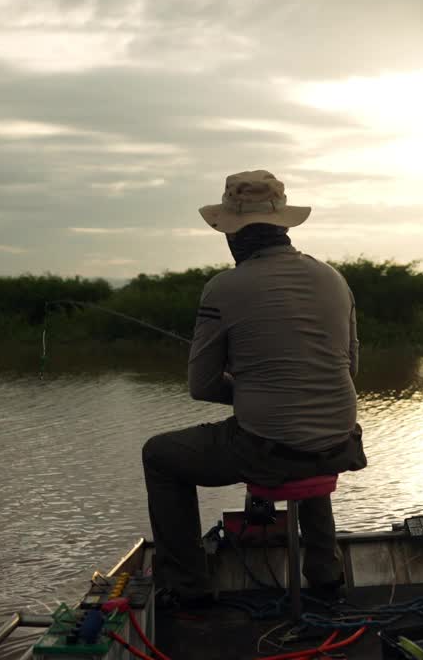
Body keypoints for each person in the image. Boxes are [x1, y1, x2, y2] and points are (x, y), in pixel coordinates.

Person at [142, 169, 367, 607]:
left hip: (269, 450)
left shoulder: (223, 288)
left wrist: (248, 392)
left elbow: (201, 385)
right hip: (340, 441)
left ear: (231, 234)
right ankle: (326, 577)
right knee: (305, 438)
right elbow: (350, 366)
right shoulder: (334, 279)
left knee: (160, 455)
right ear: (282, 225)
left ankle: (188, 590)